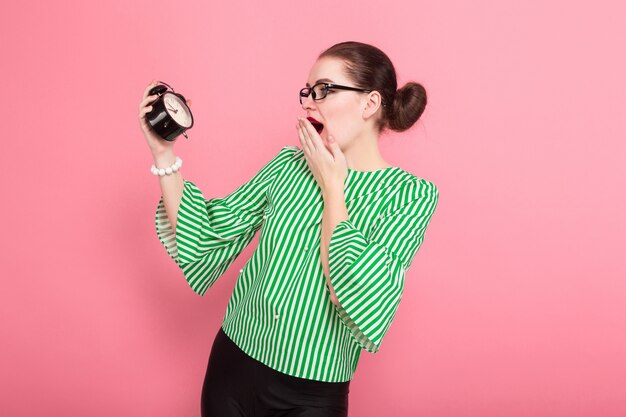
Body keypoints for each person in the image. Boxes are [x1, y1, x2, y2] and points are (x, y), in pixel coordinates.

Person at [138, 41, 439, 417]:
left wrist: (333, 186)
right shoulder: (287, 164)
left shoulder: (410, 196)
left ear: (369, 104)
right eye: (307, 92)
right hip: (232, 367)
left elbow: (361, 291)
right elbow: (209, 234)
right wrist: (163, 152)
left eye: (324, 90)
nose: (309, 103)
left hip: (312, 394)